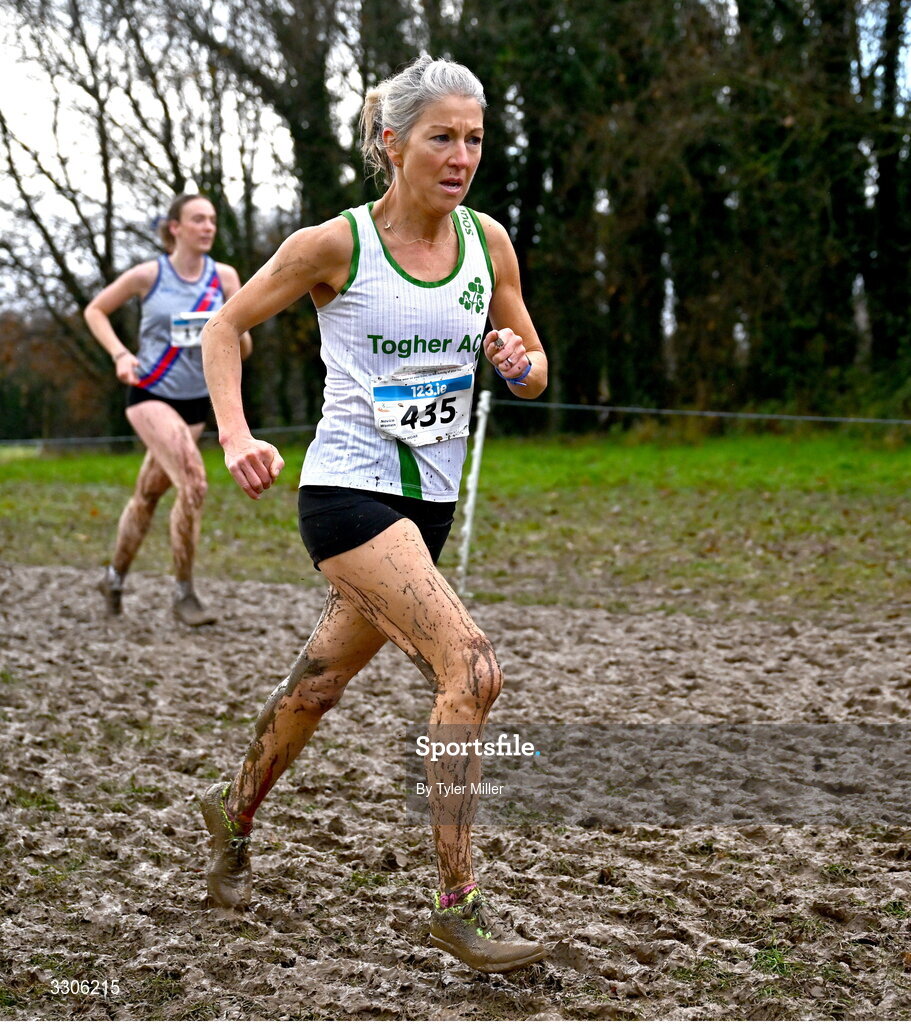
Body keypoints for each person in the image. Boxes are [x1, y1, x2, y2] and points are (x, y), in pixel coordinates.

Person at [199, 55, 549, 973]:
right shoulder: (334, 245)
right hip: (348, 496)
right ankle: (456, 904)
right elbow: (224, 326)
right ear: (392, 144)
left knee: (317, 686)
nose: (461, 155)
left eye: (473, 139)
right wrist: (234, 436)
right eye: (442, 136)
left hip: (426, 508)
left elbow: (533, 359)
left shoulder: (489, 244)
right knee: (469, 672)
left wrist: (517, 364)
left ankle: (230, 816)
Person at [84, 194, 252, 626]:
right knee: (193, 482)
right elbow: (96, 310)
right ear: (175, 227)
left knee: (148, 494)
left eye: (213, 219)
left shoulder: (226, 278)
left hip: (196, 402)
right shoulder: (149, 275)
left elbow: (243, 344)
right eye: (198, 219)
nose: (208, 227)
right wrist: (121, 355)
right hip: (150, 395)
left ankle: (113, 578)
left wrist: (235, 335)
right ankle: (184, 594)